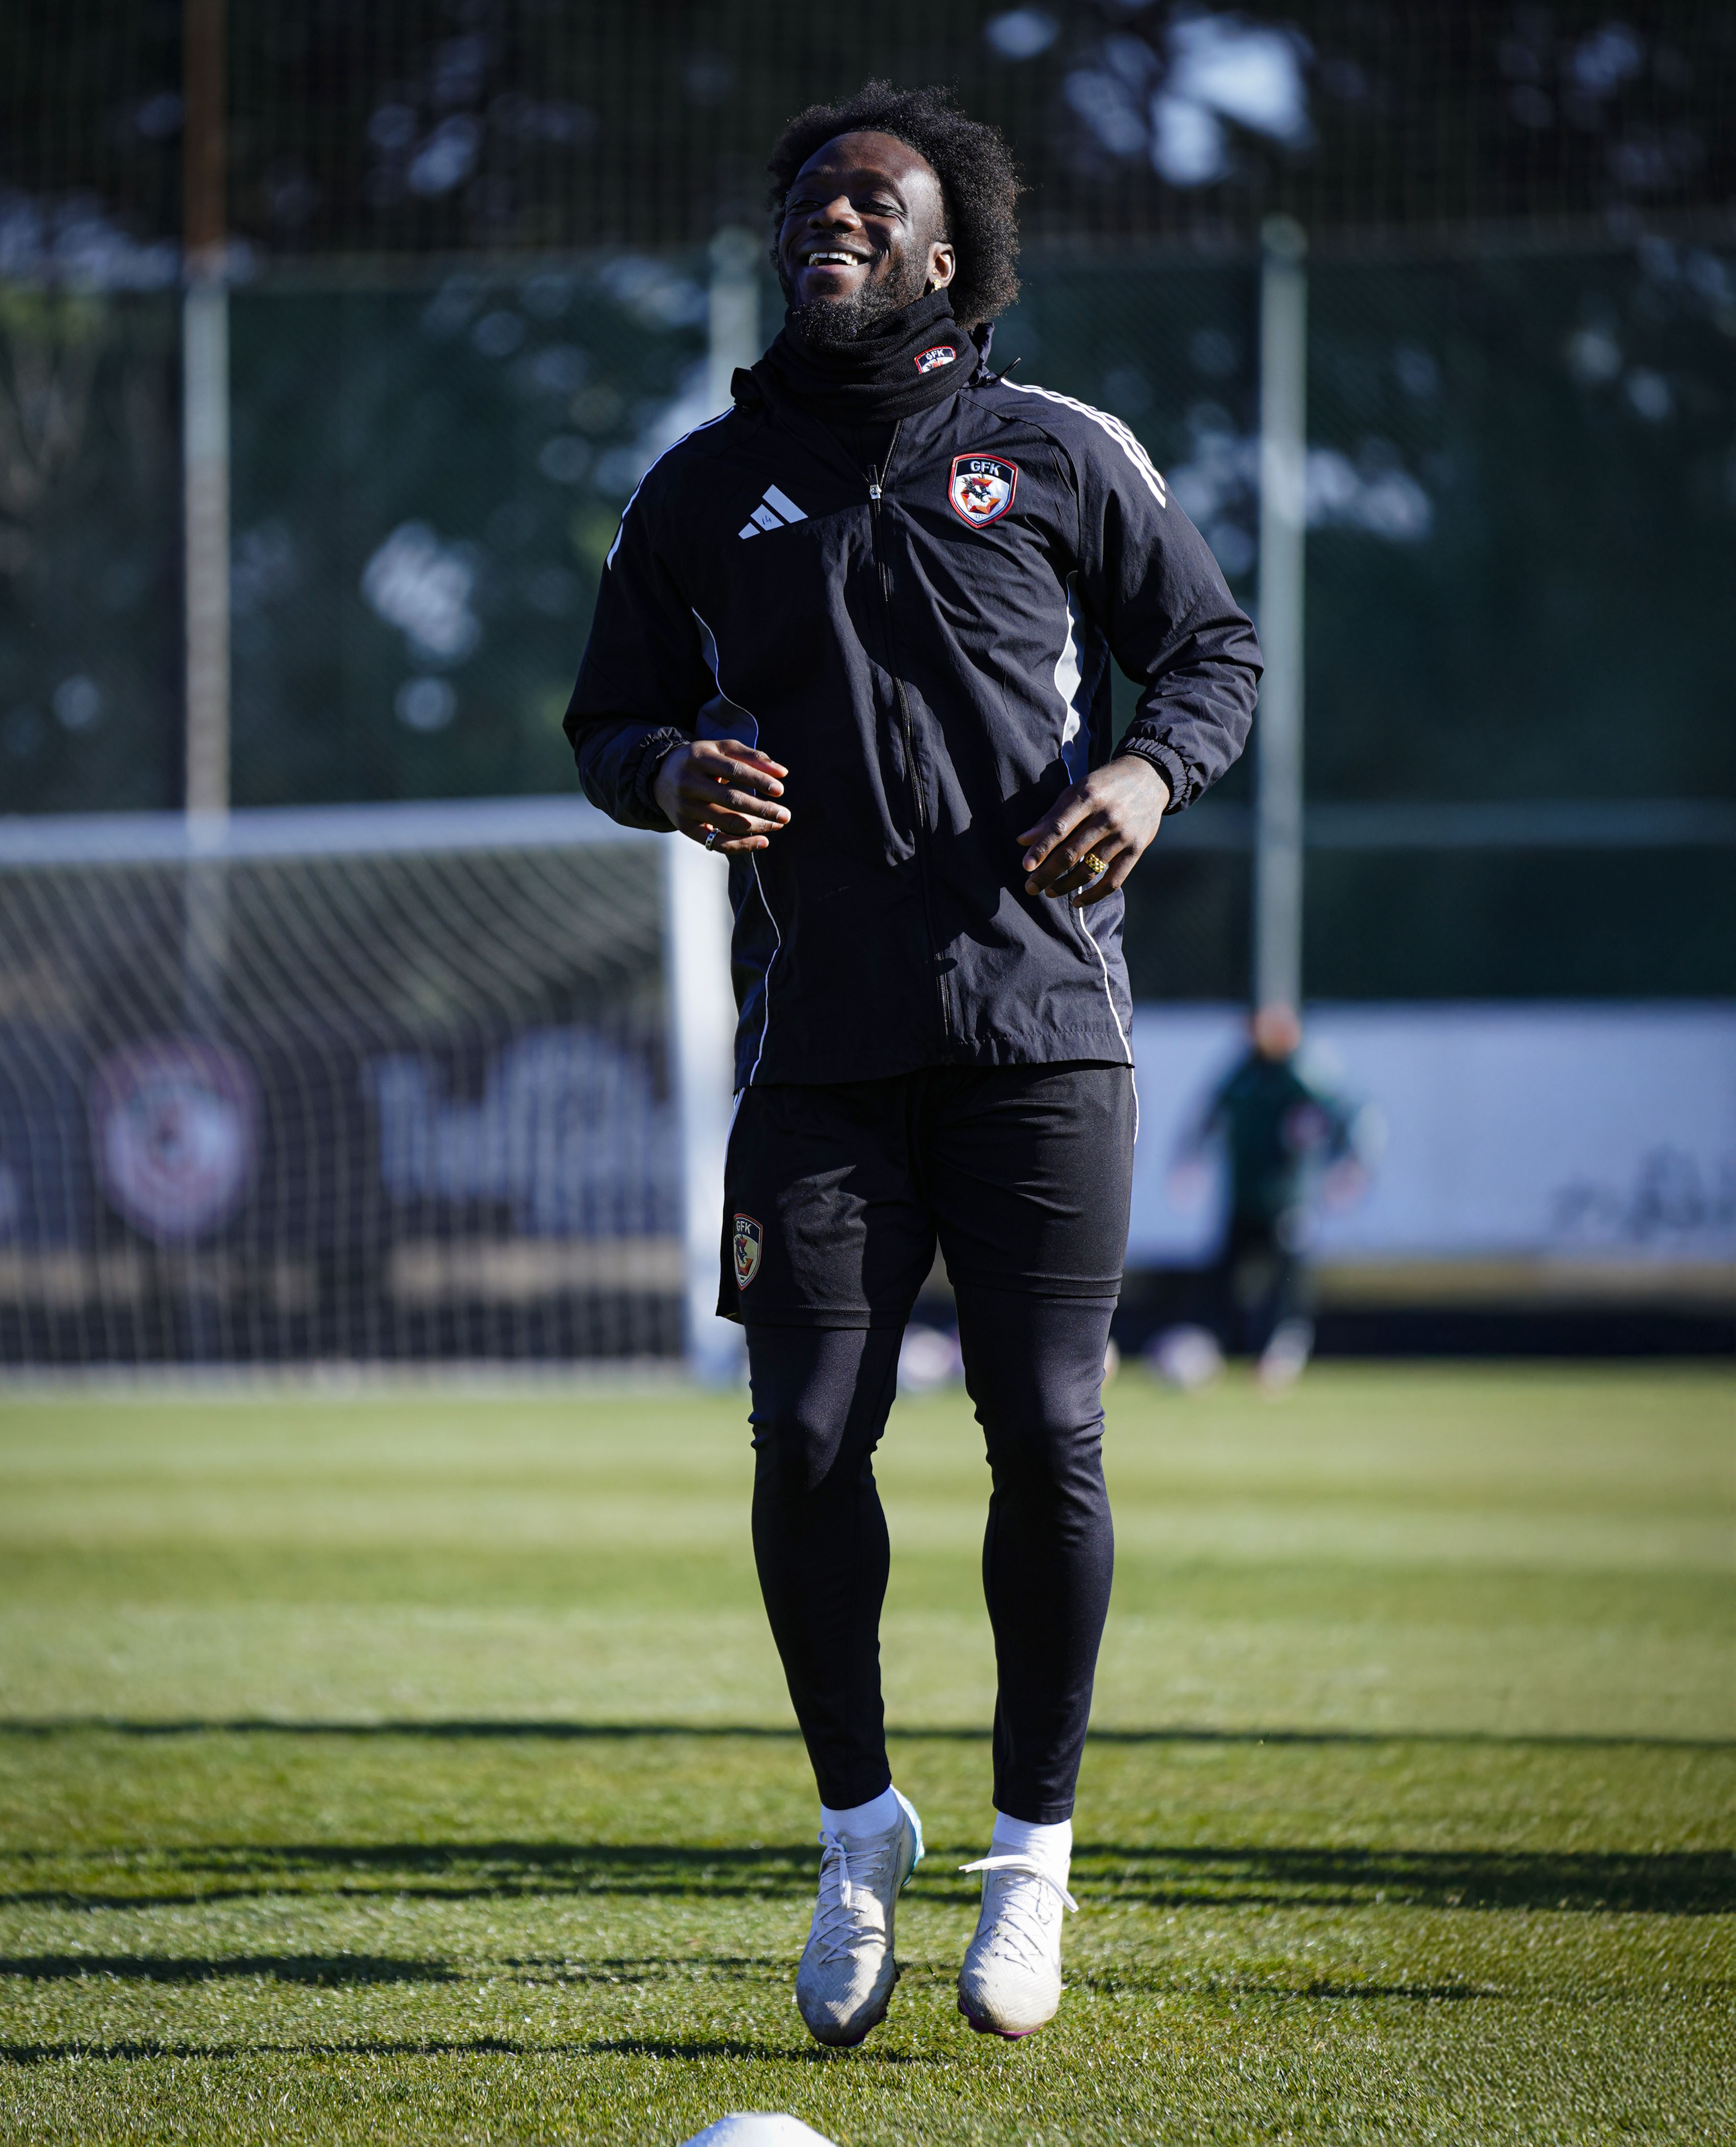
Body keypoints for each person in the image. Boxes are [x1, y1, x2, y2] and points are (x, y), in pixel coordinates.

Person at [566, 82, 1258, 2047]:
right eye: (810, 194)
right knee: (803, 1441)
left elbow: (1214, 653)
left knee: (1045, 1429)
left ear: (948, 255)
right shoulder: (700, 487)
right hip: (818, 1052)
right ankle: (858, 1829)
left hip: (1044, 1033)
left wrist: (1146, 772)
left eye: (872, 195)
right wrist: (668, 772)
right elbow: (605, 718)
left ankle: (1032, 1858)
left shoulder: (1059, 450)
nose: (833, 211)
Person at [1168, 1002, 1365, 1389]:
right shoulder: (1244, 1071)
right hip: (1244, 1196)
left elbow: (1347, 1114)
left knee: (1287, 1279)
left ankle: (1284, 1349)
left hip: (1285, 1199)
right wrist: (1190, 1157)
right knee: (1225, 1278)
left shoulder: (1301, 1073)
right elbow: (1211, 1109)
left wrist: (1347, 1164)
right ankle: (1209, 1348)